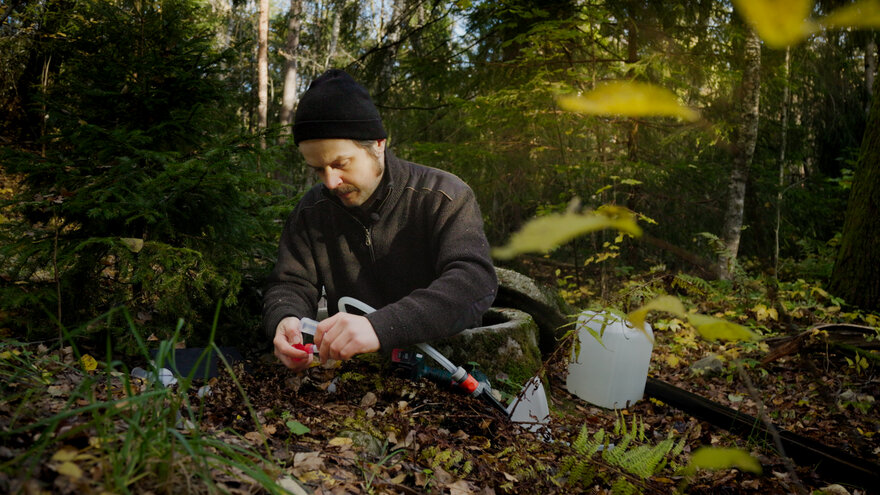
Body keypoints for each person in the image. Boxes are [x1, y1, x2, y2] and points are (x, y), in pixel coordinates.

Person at [262, 69, 498, 372]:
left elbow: (473, 282)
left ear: (378, 145)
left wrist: (379, 327)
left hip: (448, 370)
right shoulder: (313, 211)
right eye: (318, 169)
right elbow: (290, 283)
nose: (331, 182)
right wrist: (285, 320)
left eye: (340, 164)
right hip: (354, 377)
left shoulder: (442, 196)